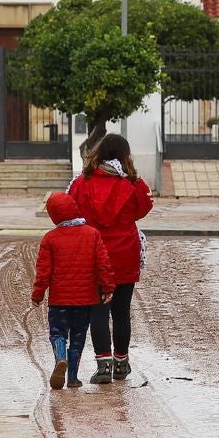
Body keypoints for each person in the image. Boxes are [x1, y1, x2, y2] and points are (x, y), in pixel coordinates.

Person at [69, 132, 153, 384]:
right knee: (121, 312)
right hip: (125, 254)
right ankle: (121, 363)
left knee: (98, 311)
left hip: (94, 254)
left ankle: (103, 366)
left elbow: (71, 210)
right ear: (125, 156)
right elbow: (144, 208)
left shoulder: (81, 183)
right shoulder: (133, 184)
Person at [31, 191, 114, 390]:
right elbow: (103, 263)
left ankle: (60, 357)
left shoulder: (50, 239)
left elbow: (44, 271)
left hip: (59, 300)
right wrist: (108, 286)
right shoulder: (92, 234)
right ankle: (73, 379)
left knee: (58, 333)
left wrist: (38, 294)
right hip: (85, 300)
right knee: (78, 337)